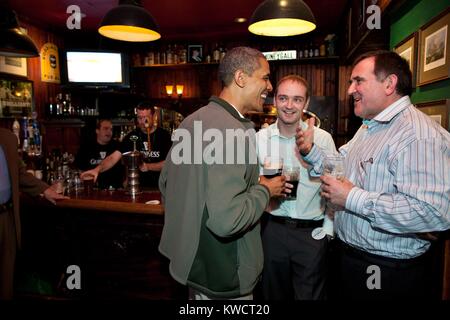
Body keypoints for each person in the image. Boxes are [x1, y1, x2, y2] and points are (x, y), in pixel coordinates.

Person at [296, 50, 450, 300]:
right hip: (352, 258)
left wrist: (351, 197)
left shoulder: (417, 135)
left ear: (389, 84)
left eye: (358, 81)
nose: (350, 90)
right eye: (351, 82)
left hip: (386, 269)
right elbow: (341, 164)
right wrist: (311, 151)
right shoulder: (370, 126)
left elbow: (432, 213)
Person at [159, 47, 286, 300]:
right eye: (265, 77)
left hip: (191, 265)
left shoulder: (190, 121)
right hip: (224, 273)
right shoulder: (233, 132)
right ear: (241, 78)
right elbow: (227, 220)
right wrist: (265, 190)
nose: (270, 86)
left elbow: (166, 185)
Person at [256, 75, 337, 300]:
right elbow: (249, 184)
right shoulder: (259, 139)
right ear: (274, 100)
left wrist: (327, 232)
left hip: (311, 234)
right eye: (283, 98)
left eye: (297, 99)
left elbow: (336, 185)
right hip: (272, 230)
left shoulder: (323, 139)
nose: (289, 106)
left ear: (306, 103)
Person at [0, 127, 67, 300]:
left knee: (6, 280)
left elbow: (20, 173)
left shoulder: (7, 138)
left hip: (7, 217)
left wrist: (44, 190)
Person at [80, 102, 172, 189]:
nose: (142, 121)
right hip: (138, 187)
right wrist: (97, 169)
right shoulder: (131, 136)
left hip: (161, 187)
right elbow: (113, 158)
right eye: (139, 118)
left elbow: (170, 164)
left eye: (145, 118)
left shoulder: (164, 136)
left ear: (153, 116)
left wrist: (148, 166)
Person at [74, 119, 124, 189]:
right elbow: (79, 168)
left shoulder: (117, 146)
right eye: (106, 128)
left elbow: (126, 166)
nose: (109, 132)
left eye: (111, 129)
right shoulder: (86, 147)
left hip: (114, 189)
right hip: (92, 188)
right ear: (97, 131)